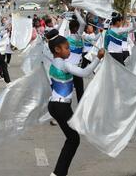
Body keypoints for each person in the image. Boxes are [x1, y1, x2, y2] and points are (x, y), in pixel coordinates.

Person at [45, 29, 104, 176]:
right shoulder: (64, 65)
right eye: (66, 48)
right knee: (73, 139)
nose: (69, 51)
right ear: (57, 50)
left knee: (72, 138)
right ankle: (58, 173)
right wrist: (98, 58)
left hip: (56, 105)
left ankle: (59, 172)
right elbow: (85, 73)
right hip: (61, 106)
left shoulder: (53, 62)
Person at [66, 19, 84, 102]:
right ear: (76, 29)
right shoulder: (78, 38)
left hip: (68, 68)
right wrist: (76, 11)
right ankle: (81, 110)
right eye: (79, 28)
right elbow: (83, 23)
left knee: (67, 91)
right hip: (76, 69)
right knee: (80, 91)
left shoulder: (66, 39)